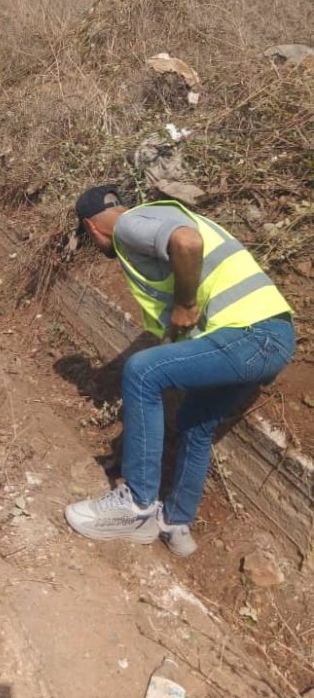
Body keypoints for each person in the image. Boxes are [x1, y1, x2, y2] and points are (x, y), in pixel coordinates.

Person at [65, 186, 295, 556]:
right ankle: (176, 522)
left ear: (92, 227)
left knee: (141, 371)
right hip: (274, 338)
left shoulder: (129, 225)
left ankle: (137, 506)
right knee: (195, 422)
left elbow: (186, 244)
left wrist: (186, 304)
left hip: (250, 335)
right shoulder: (162, 220)